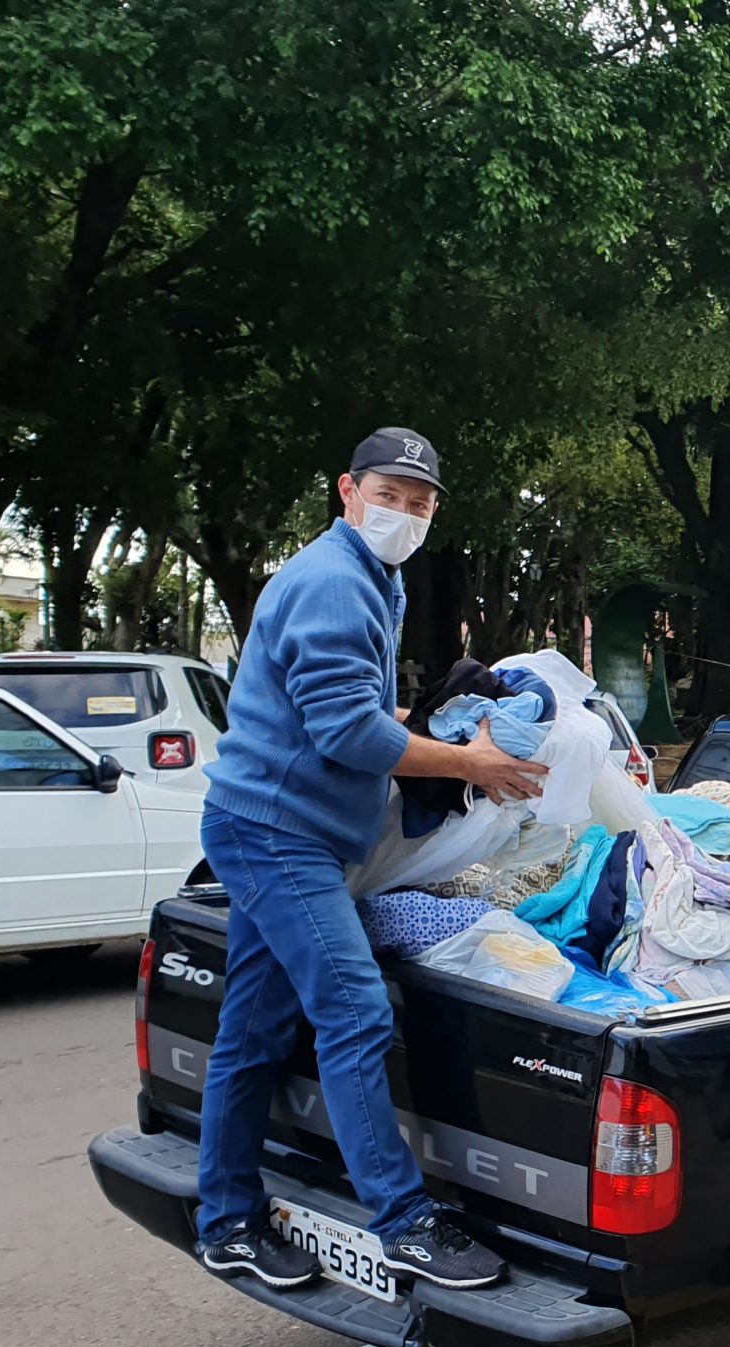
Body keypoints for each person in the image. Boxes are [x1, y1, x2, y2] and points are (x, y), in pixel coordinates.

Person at [194, 429, 546, 1293]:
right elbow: (346, 733)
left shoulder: (372, 578)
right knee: (354, 1011)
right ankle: (404, 1222)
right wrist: (468, 764)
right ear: (348, 491)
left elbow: (351, 709)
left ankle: (226, 1221)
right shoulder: (332, 582)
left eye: (420, 504)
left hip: (282, 829)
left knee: (252, 1032)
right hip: (278, 837)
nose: (404, 513)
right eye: (389, 495)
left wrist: (433, 734)